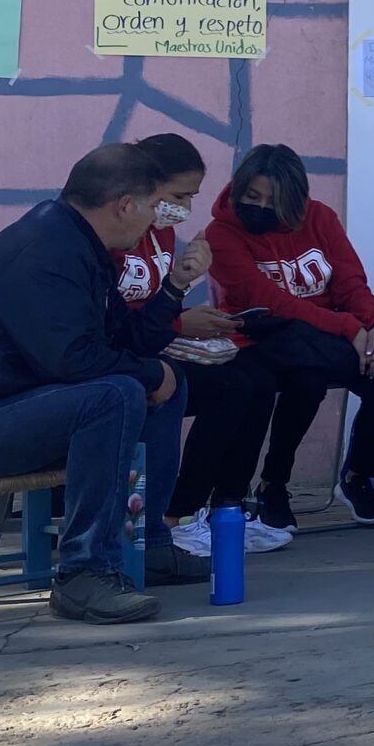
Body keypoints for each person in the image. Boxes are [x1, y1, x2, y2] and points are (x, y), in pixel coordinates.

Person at [0, 144, 178, 624]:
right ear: (125, 205)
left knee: (165, 386)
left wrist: (171, 306)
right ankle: (84, 572)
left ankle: (147, 544)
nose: (156, 223)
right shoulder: (43, 250)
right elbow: (73, 359)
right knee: (118, 392)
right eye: (154, 207)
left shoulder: (81, 244)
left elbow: (121, 339)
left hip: (9, 411)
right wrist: (149, 373)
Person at [206, 143, 374, 529]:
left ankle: (358, 477)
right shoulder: (221, 233)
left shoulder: (320, 219)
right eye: (252, 196)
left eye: (273, 200)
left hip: (323, 337)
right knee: (307, 380)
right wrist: (351, 329)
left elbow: (350, 281)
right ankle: (274, 484)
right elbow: (271, 302)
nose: (261, 207)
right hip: (261, 336)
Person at [113, 133, 284, 566]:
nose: (184, 208)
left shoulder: (164, 234)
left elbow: (156, 302)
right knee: (205, 388)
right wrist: (179, 322)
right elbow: (116, 316)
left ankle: (220, 508)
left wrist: (187, 315)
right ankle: (172, 518)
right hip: (123, 355)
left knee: (255, 380)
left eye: (190, 196)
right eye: (178, 195)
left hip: (155, 343)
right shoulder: (115, 231)